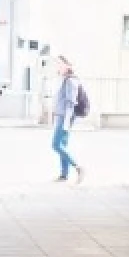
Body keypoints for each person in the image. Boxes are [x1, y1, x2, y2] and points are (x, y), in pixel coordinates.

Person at [50, 54, 84, 183]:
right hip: (61, 116)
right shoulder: (63, 79)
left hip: (65, 117)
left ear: (68, 65)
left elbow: (71, 102)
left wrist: (66, 122)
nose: (57, 66)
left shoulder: (71, 80)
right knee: (63, 146)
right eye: (56, 63)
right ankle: (64, 175)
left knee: (55, 145)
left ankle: (78, 167)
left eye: (60, 63)